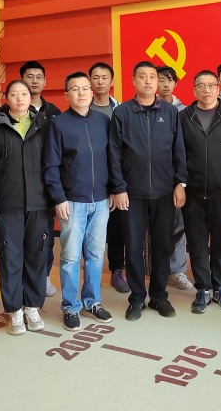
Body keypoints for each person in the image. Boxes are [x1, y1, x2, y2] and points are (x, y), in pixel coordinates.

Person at [109, 61, 187, 321]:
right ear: (133, 81)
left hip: (165, 191)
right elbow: (114, 153)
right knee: (133, 245)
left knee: (162, 244)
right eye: (142, 76)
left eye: (152, 77)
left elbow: (179, 150)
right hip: (132, 192)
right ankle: (136, 298)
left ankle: (159, 297)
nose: (148, 81)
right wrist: (119, 188)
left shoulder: (170, 112)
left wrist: (181, 183)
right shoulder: (122, 113)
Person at [44, 71, 113, 331]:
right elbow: (51, 165)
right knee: (71, 257)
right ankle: (70, 306)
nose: (82, 93)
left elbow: (112, 158)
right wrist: (58, 198)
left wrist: (114, 189)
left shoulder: (103, 121)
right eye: (75, 89)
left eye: (85, 88)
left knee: (95, 255)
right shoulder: (58, 124)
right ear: (66, 95)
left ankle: (92, 302)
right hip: (71, 202)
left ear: (92, 92)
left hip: (101, 201)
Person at [0, 80, 51, 334]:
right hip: (7, 205)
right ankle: (14, 310)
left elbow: (52, 164)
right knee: (10, 258)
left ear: (30, 97)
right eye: (14, 94)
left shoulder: (44, 124)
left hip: (39, 204)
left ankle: (32, 306)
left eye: (24, 94)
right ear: (6, 97)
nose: (20, 98)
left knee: (36, 256)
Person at [179, 70, 221, 314]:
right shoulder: (184, 116)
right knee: (196, 242)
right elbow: (178, 154)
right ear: (194, 90)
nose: (206, 89)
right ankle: (203, 288)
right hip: (193, 192)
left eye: (211, 85)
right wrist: (180, 184)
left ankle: (220, 287)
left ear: (218, 88)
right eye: (201, 85)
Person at [19, 60, 62, 298]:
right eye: (29, 76)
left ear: (45, 81)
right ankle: (23, 278)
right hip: (20, 183)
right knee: (20, 236)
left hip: (47, 182)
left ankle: (43, 275)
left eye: (38, 77)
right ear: (21, 80)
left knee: (46, 233)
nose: (34, 81)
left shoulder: (53, 112)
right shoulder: (10, 112)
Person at [88, 61, 127, 293]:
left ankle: (117, 270)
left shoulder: (120, 110)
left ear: (112, 82)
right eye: (96, 77)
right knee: (90, 230)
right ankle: (90, 273)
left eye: (105, 77)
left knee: (116, 229)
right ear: (90, 81)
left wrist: (118, 185)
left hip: (115, 178)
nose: (100, 81)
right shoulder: (83, 107)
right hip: (89, 179)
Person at [156, 65, 193, 291]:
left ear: (176, 83)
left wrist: (182, 180)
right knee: (156, 226)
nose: (165, 84)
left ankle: (177, 270)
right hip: (154, 178)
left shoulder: (186, 112)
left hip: (179, 176)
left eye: (170, 80)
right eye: (161, 80)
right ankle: (157, 269)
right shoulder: (146, 109)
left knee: (179, 226)